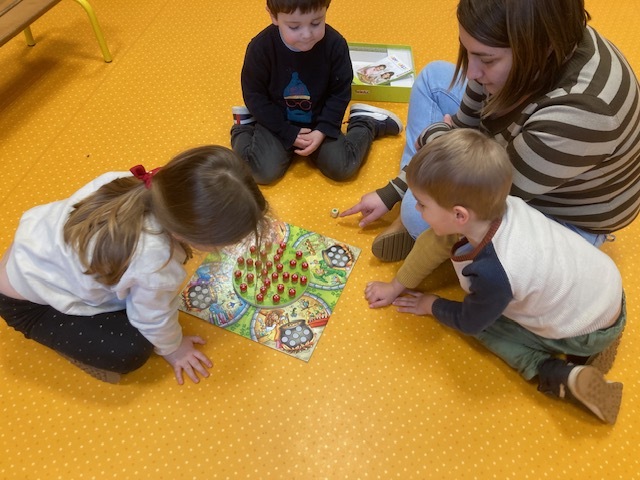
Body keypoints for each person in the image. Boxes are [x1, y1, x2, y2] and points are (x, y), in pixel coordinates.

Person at [342, 0, 640, 267]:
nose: (471, 72)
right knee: (432, 78)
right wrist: (399, 185)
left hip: (562, 216)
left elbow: (484, 197)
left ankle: (422, 222)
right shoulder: (543, 37)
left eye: (486, 59)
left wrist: (437, 138)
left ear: (542, 48)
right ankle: (422, 197)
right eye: (467, 51)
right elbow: (465, 125)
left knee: (416, 215)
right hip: (516, 155)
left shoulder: (581, 115)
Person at [365, 129, 626, 424]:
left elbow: (469, 320)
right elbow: (433, 242)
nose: (416, 208)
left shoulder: (494, 273)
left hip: (586, 330)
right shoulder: (499, 206)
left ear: (459, 215)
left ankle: (554, 372)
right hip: (607, 286)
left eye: (422, 204)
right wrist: (395, 286)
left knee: (486, 328)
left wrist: (431, 305)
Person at [0, 146, 269, 385]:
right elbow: (152, 319)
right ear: (188, 234)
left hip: (27, 256)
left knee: (137, 298)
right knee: (132, 350)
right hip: (28, 305)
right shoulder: (156, 265)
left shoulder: (129, 182)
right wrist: (174, 349)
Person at [230, 0, 404, 185]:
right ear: (273, 16)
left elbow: (340, 93)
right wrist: (286, 131)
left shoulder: (335, 45)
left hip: (319, 119)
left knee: (342, 167)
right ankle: (244, 126)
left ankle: (366, 122)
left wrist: (323, 129)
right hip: (277, 120)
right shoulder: (261, 48)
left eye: (316, 23)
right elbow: (254, 95)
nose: (307, 35)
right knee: (261, 173)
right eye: (294, 27)